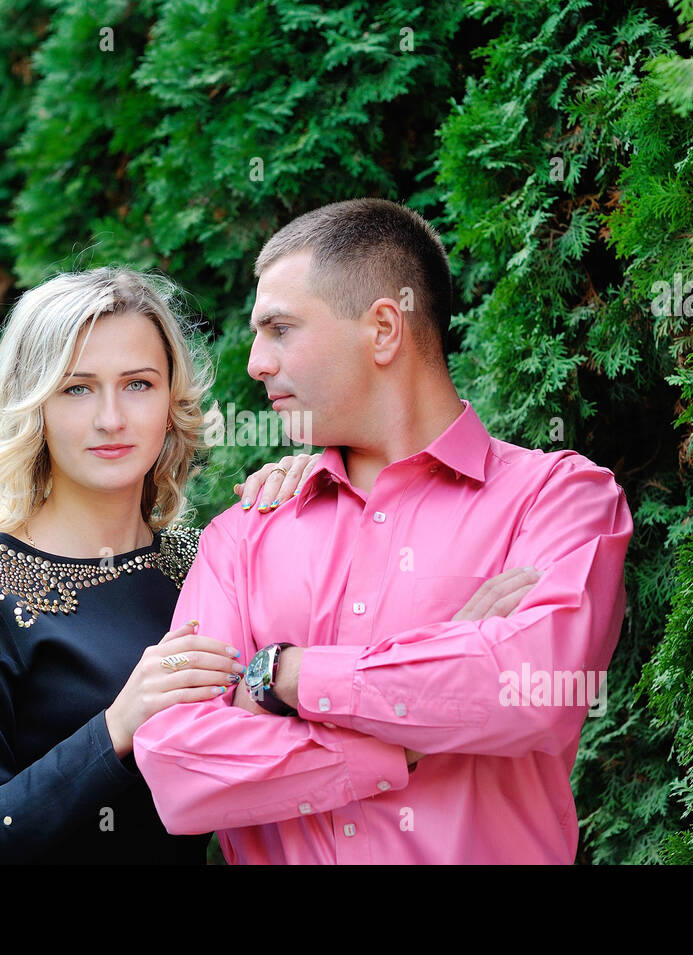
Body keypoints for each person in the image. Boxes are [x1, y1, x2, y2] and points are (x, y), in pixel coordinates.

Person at [133, 198, 634, 864]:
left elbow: (531, 689)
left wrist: (280, 673)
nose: (255, 361)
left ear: (384, 329)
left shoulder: (558, 498)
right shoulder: (243, 534)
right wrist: (410, 731)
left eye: (280, 328)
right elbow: (180, 768)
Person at [0, 266, 319, 864]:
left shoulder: (198, 567)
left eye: (138, 384)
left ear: (171, 399)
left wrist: (308, 508)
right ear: (35, 406)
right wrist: (117, 728)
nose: (111, 419)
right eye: (77, 388)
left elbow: (297, 704)